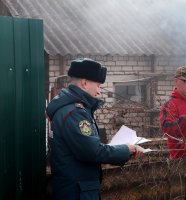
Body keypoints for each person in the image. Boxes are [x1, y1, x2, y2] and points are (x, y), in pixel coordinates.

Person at [46, 58, 141, 200]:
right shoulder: (75, 113)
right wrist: (126, 149)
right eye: (98, 85)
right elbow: (92, 152)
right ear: (84, 83)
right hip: (77, 192)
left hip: (76, 188)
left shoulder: (72, 109)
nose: (99, 91)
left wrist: (122, 152)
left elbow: (87, 149)